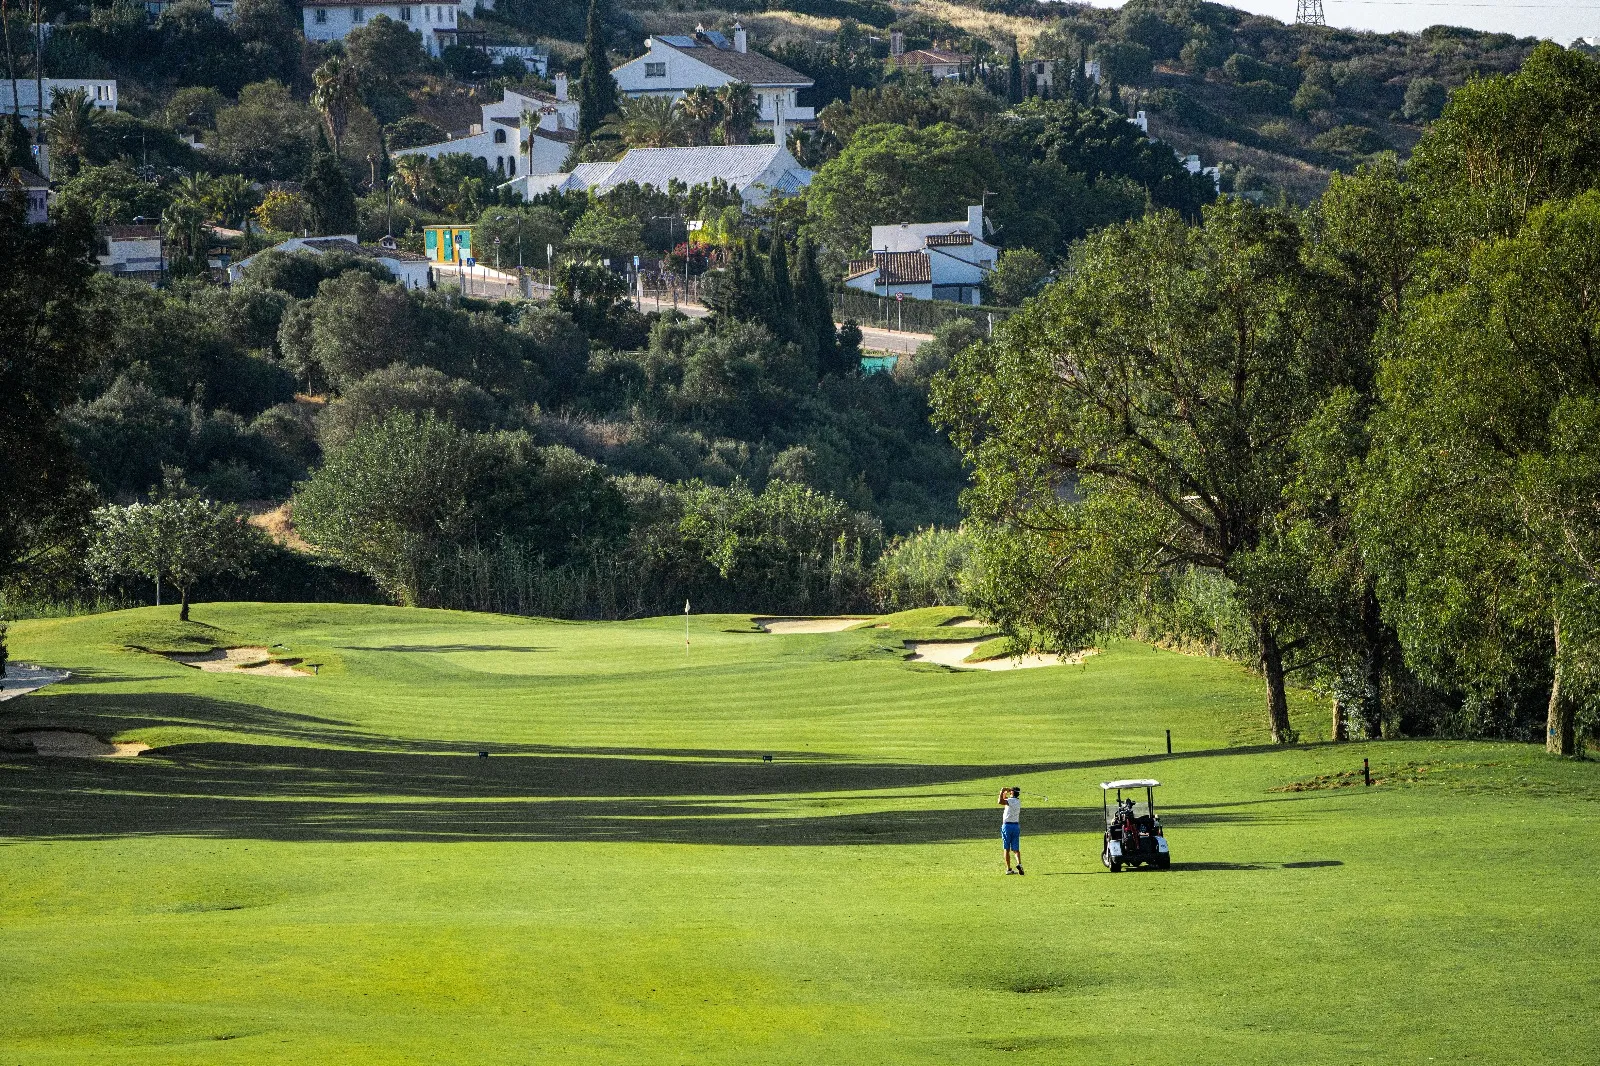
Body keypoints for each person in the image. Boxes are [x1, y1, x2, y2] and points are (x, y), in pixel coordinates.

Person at [998, 786, 1023, 875]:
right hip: (1016, 826)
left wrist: (1002, 791)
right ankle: (1019, 864)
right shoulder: (1018, 801)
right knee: (1016, 849)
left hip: (1007, 826)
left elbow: (1000, 801)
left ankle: (1008, 869)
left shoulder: (1010, 801)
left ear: (1012, 793)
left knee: (1006, 849)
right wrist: (1005, 792)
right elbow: (1005, 800)